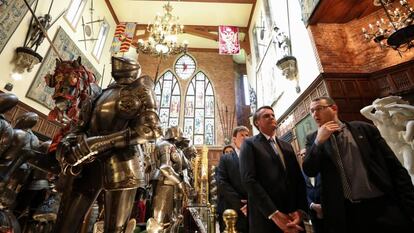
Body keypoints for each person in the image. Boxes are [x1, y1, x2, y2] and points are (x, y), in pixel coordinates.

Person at [53, 56, 162, 233]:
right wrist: (68, 142)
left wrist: (99, 143)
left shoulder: (141, 89)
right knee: (66, 224)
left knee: (115, 229)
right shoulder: (100, 94)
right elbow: (81, 125)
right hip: (88, 162)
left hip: (123, 162)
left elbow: (150, 130)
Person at [303, 96, 414, 233]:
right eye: (311, 111)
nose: (314, 114)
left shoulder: (364, 129)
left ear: (334, 108)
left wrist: (410, 204)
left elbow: (395, 168)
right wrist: (318, 142)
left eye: (318, 109)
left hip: (381, 206)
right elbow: (309, 169)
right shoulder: (313, 139)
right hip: (347, 214)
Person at [239, 106, 307, 233]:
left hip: (292, 215)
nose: (271, 117)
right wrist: (274, 214)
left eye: (272, 115)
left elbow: (298, 179)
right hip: (266, 216)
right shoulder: (250, 144)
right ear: (257, 123)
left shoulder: (287, 146)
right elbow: (249, 180)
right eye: (266, 116)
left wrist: (300, 211)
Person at [216, 126, 250, 232]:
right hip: (232, 209)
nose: (245, 138)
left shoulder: (254, 157)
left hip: (253, 209)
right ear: (234, 139)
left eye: (247, 135)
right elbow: (221, 182)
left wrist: (252, 202)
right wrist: (240, 204)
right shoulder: (226, 158)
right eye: (242, 135)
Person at [298, 148, 325, 233]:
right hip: (312, 212)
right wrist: (313, 205)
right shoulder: (300, 174)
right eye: (301, 155)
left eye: (304, 153)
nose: (303, 156)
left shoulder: (321, 168)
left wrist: (322, 206)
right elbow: (302, 192)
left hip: (327, 208)